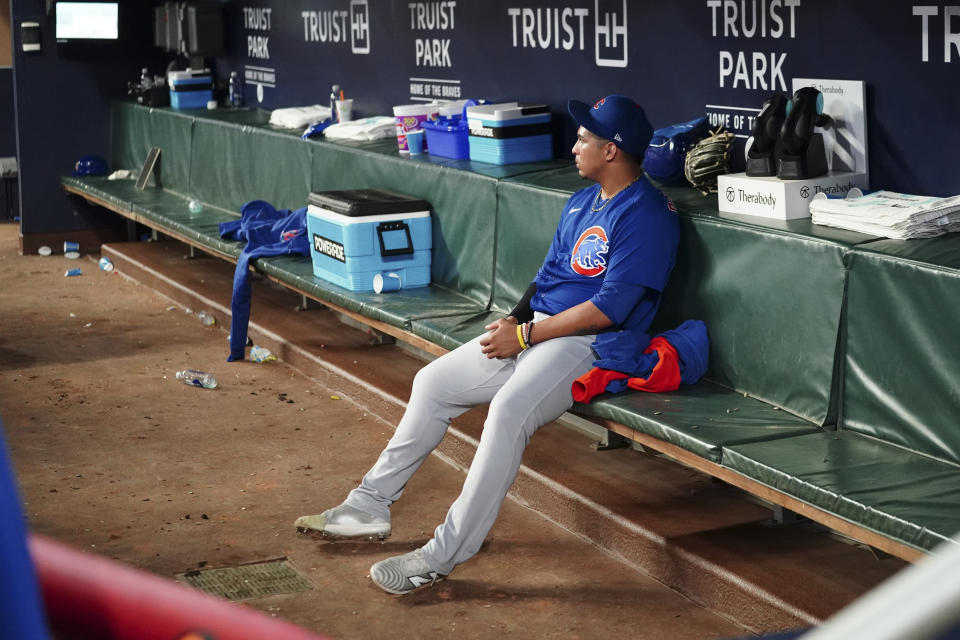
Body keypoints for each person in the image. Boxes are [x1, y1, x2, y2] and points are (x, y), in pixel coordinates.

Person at [294, 94, 680, 595]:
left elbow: (611, 309)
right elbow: (546, 278)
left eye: (586, 137)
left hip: (593, 344)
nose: (576, 143)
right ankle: (369, 505)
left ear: (612, 150)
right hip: (540, 330)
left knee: (506, 411)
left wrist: (526, 335)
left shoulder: (648, 214)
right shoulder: (582, 200)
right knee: (432, 381)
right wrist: (515, 320)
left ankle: (443, 554)